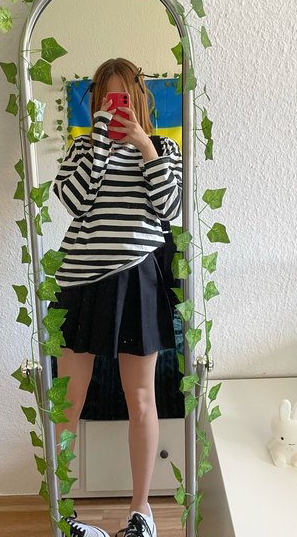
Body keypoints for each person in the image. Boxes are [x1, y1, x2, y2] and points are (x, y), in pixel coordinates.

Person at [48, 57, 183, 537]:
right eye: (106, 97)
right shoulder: (83, 148)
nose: (115, 104)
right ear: (95, 103)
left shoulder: (163, 147)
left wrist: (144, 146)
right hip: (81, 282)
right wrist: (100, 143)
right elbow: (74, 201)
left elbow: (171, 208)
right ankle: (62, 511)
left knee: (141, 398)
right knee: (68, 401)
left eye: (123, 95)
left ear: (140, 99)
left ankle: (141, 512)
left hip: (138, 280)